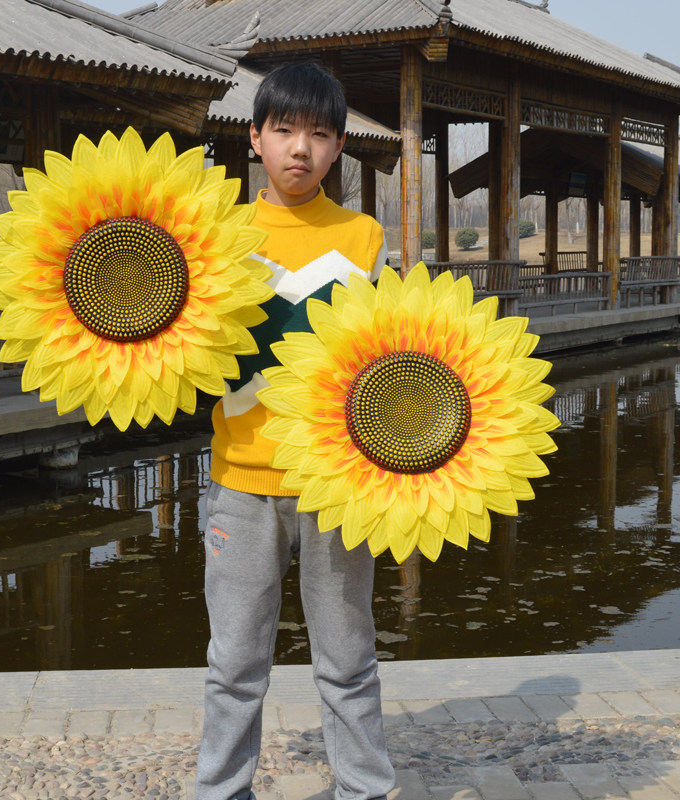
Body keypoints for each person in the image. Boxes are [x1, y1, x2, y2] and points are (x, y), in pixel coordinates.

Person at [196, 63, 396, 800]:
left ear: (340, 145)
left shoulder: (365, 238)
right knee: (234, 663)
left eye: (318, 133)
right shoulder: (215, 235)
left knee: (348, 659)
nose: (299, 150)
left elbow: (396, 356)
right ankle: (221, 791)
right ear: (254, 138)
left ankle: (363, 789)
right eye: (282, 131)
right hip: (241, 484)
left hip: (339, 490)